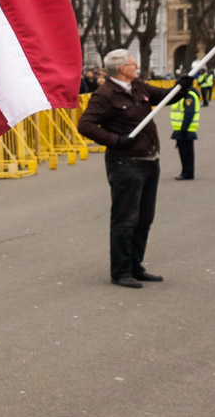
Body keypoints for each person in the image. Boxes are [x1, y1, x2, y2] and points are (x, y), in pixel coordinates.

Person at [77, 48, 192, 288]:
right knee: (125, 219)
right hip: (126, 164)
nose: (136, 66)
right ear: (122, 68)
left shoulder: (138, 86)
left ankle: (135, 266)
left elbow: (165, 97)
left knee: (144, 218)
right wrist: (116, 140)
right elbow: (86, 125)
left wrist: (182, 87)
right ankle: (120, 271)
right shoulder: (105, 94)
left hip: (149, 160)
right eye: (132, 63)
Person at [169, 84, 201, 180]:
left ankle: (187, 173)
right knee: (184, 152)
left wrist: (184, 128)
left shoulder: (189, 96)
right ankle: (186, 171)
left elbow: (189, 113)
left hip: (186, 129)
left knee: (186, 153)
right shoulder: (184, 95)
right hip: (181, 129)